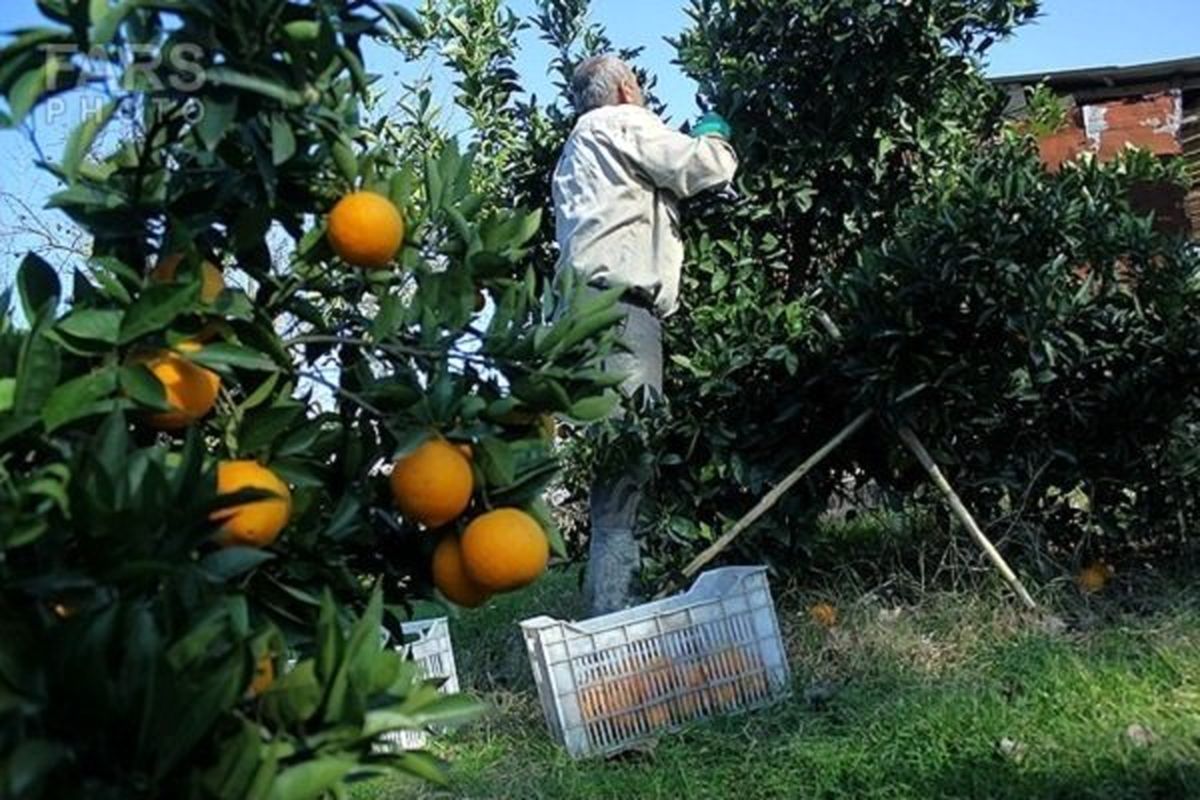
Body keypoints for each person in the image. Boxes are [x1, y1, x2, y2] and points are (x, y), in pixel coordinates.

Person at [553, 54, 738, 616]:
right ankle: (621, 623)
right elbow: (700, 167)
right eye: (637, 82)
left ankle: (612, 610)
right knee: (629, 471)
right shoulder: (617, 122)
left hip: (581, 318)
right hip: (622, 313)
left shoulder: (574, 152)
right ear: (625, 90)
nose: (642, 93)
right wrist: (715, 134)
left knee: (610, 474)